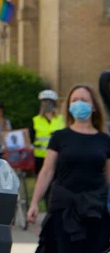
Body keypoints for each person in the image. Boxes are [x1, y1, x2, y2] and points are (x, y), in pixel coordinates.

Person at [28, 85, 110, 252]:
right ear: (69, 106)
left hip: (94, 209)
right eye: (75, 100)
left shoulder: (104, 140)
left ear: (93, 106)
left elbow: (109, 178)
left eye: (84, 100)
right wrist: (35, 202)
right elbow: (47, 172)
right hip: (63, 208)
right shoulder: (59, 137)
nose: (79, 103)